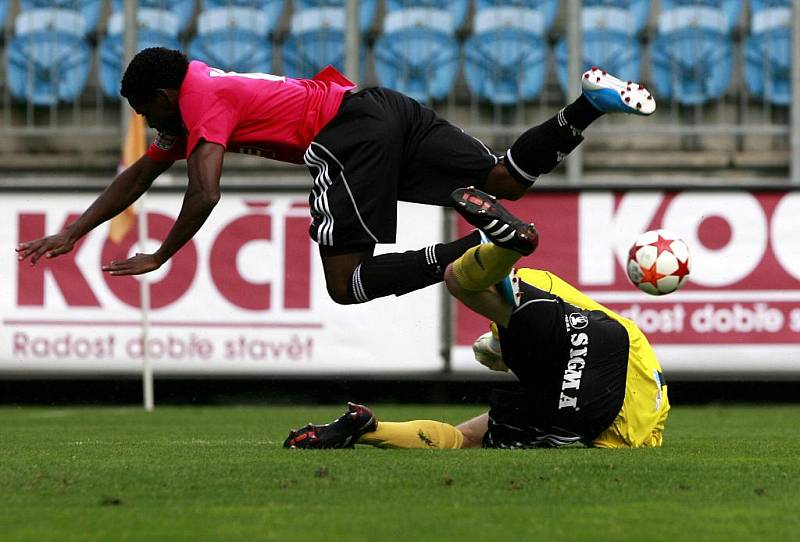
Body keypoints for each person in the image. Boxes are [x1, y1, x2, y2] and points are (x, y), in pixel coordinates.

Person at [16, 47, 655, 306]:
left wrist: (162, 253)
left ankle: (478, 244)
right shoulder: (202, 89)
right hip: (384, 108)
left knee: (345, 284)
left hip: (344, 139)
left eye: (144, 109)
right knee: (505, 181)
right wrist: (75, 230)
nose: (149, 123)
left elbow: (205, 191)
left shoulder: (199, 102)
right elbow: (139, 175)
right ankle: (586, 108)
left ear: (161, 93)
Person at [284, 187, 670, 449]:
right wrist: (499, 349)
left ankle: (498, 246)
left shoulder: (540, 292)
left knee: (460, 282)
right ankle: (366, 430)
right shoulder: (550, 301)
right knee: (466, 436)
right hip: (613, 379)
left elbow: (524, 337)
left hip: (582, 399)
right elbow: (532, 340)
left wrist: (496, 348)